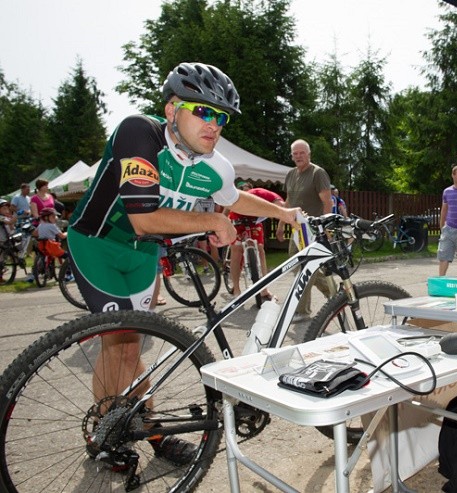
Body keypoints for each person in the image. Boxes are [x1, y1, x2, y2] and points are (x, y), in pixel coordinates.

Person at [66, 62, 300, 465]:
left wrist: (284, 214)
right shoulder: (139, 132)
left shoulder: (216, 165)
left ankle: (151, 430)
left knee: (130, 343)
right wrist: (209, 220)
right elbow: (144, 217)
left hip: (143, 254)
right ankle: (104, 437)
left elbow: (234, 199)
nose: (215, 125)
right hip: (96, 243)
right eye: (204, 111)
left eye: (221, 116)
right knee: (117, 340)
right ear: (173, 110)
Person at [275, 139, 333, 322]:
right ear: (292, 156)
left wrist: (326, 228)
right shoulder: (291, 174)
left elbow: (327, 202)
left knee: (306, 269)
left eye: (302, 153)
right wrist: (280, 224)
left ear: (309, 154)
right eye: (295, 153)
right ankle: (335, 294)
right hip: (296, 230)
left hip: (313, 231)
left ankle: (302, 311)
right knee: (298, 267)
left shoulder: (318, 173)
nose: (299, 156)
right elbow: (288, 202)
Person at [227, 180, 285, 298]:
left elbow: (282, 208)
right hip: (237, 219)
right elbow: (226, 208)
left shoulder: (264, 195)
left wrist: (279, 223)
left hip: (254, 221)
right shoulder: (237, 196)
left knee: (260, 250)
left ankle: (264, 289)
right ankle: (237, 289)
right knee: (236, 251)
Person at [437, 164, 457, 276]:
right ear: (453, 176)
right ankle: (440, 280)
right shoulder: (447, 191)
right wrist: (442, 226)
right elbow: (444, 209)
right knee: (444, 256)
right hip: (449, 229)